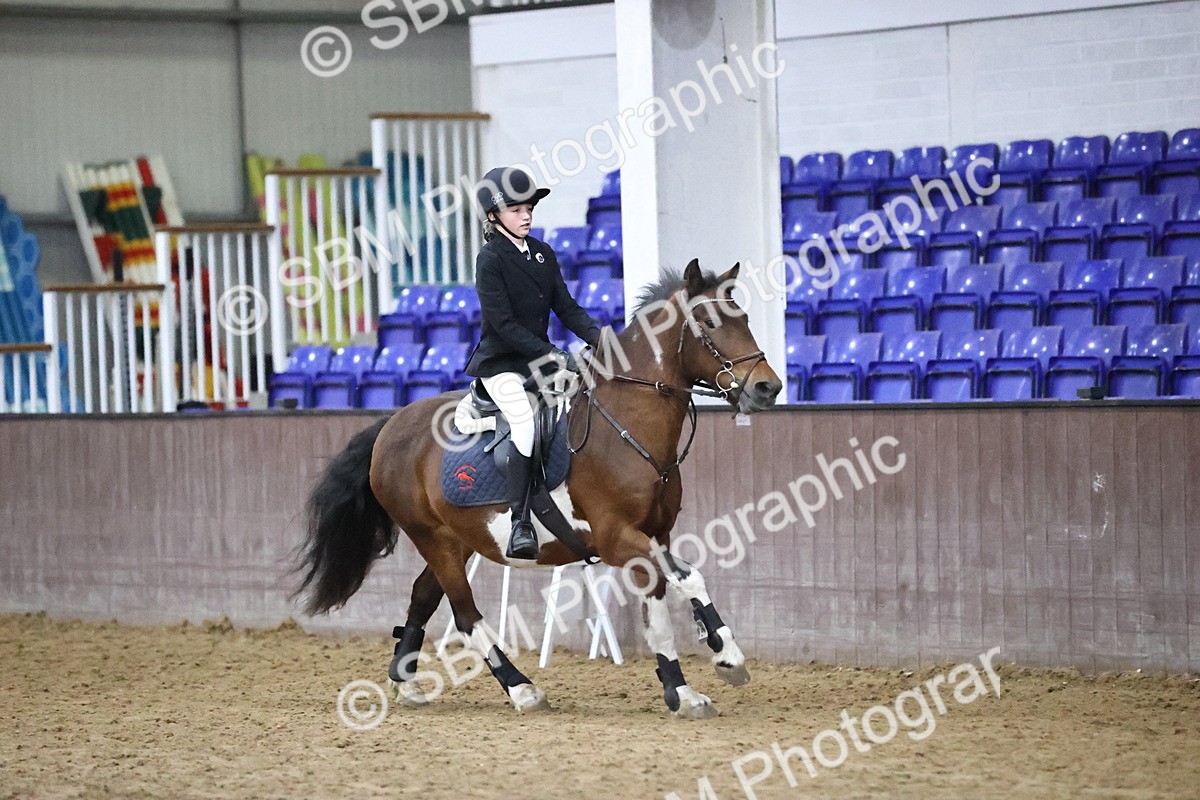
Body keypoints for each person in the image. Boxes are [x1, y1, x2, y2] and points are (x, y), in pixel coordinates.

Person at [464, 166, 603, 560]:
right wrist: (553, 355)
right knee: (524, 424)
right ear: (494, 215)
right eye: (515, 210)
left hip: (537, 361)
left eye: (528, 208)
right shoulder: (490, 259)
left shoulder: (543, 254)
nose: (525, 215)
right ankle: (521, 522)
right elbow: (503, 325)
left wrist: (600, 337)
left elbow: (567, 308)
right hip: (501, 364)